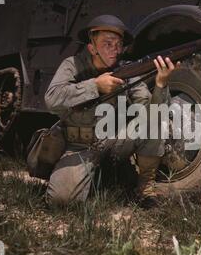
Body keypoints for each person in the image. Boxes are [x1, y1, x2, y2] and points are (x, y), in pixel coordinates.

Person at [44, 14, 177, 207]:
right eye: (107, 44)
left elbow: (151, 112)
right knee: (60, 201)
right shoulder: (72, 65)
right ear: (92, 47)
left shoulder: (127, 70)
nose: (115, 50)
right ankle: (103, 177)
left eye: (118, 44)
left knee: (152, 123)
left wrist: (160, 84)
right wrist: (95, 86)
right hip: (79, 146)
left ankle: (144, 190)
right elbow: (51, 99)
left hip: (115, 142)